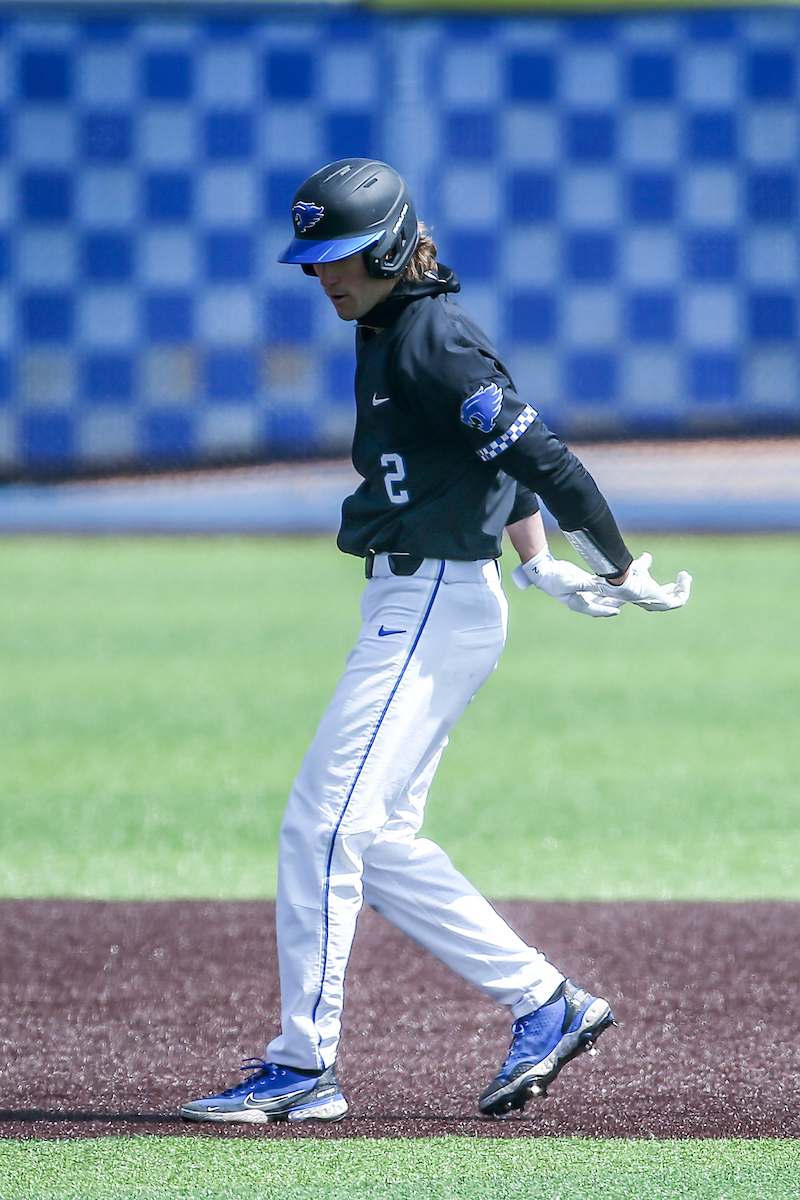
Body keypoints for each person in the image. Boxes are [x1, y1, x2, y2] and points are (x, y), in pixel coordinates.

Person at [181, 159, 691, 1126]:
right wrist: (537, 563)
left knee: (321, 827)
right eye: (312, 261)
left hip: (428, 606)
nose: (323, 276)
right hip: (426, 600)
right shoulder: (388, 324)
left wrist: (619, 566)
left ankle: (302, 1069)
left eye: (339, 257)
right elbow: (486, 465)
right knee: (373, 843)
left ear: (385, 246)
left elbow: (543, 456)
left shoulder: (431, 337)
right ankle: (547, 1003)